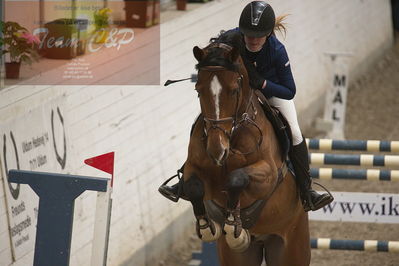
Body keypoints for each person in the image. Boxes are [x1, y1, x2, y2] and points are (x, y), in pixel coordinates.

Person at [159, 1, 333, 212]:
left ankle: (307, 192)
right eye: (248, 34)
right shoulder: (231, 37)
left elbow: (289, 91)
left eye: (258, 35)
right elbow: (213, 54)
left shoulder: (277, 51)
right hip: (238, 94)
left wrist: (263, 83)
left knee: (295, 133)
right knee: (205, 121)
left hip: (271, 94)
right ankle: (183, 180)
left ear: (268, 34)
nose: (252, 39)